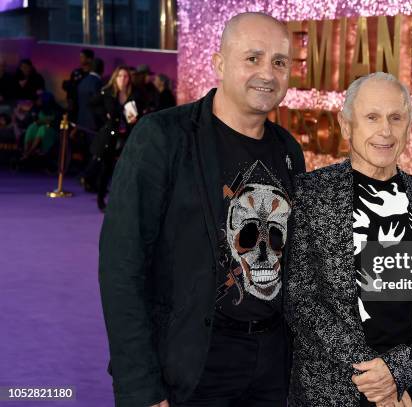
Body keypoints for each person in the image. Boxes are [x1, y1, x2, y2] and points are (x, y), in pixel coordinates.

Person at [98, 12, 305, 407]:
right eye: (253, 58)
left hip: (272, 367)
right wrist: (140, 388)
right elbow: (121, 267)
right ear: (219, 63)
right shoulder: (163, 138)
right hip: (192, 365)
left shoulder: (287, 150)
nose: (268, 73)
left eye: (279, 62)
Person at [286, 72, 412, 407]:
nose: (385, 131)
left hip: (411, 395)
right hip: (330, 391)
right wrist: (376, 377)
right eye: (372, 117)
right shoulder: (310, 194)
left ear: (409, 126)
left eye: (396, 118)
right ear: (346, 125)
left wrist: (400, 373)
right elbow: (301, 300)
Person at [92, 65, 140, 211]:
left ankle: (123, 201)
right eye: (120, 76)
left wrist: (136, 118)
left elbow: (141, 111)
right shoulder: (107, 92)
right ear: (115, 77)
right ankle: (101, 199)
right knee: (106, 169)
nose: (123, 79)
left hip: (128, 135)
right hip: (110, 135)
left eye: (125, 76)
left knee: (127, 169)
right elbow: (92, 105)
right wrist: (104, 116)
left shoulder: (134, 94)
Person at [62, 48, 94, 121]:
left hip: (85, 107)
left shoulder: (92, 75)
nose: (80, 59)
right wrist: (70, 101)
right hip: (73, 106)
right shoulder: (76, 72)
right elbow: (70, 88)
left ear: (89, 59)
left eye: (82, 57)